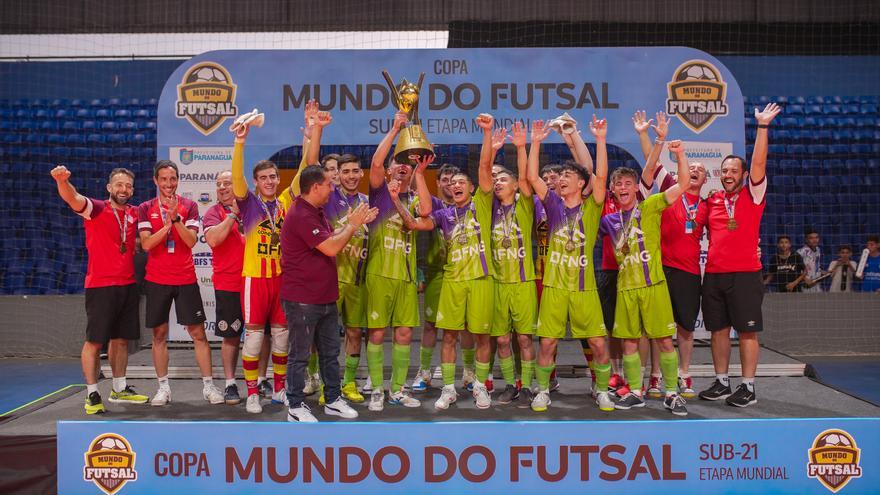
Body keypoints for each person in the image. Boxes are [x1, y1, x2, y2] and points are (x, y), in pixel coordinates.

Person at [390, 113, 496, 410]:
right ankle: (448, 388)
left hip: (480, 280)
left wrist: (487, 134)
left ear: (472, 188)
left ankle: (480, 386)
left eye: (463, 181)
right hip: (452, 280)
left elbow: (485, 166)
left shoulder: (482, 207)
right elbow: (415, 222)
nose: (457, 185)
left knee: (481, 336)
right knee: (448, 335)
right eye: (454, 183)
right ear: (449, 190)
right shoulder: (444, 215)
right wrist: (418, 175)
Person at [230, 104, 327, 413]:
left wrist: (311, 133)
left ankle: (280, 390)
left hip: (282, 279)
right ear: (256, 182)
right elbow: (235, 179)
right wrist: (240, 143)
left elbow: (304, 168)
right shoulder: (249, 206)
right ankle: (253, 393)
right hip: (255, 278)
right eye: (264, 178)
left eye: (273, 176)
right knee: (255, 337)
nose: (271, 181)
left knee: (283, 337)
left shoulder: (287, 200)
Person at [697, 102, 782, 408]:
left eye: (734, 170)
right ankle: (722, 381)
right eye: (725, 170)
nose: (728, 174)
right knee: (718, 331)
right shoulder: (713, 199)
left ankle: (748, 386)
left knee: (747, 331)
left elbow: (759, 162)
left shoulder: (753, 194)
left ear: (744, 175)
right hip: (715, 275)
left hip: (745, 274)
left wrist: (762, 126)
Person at [526, 116, 612, 413]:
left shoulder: (592, 207)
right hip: (553, 287)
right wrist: (535, 142)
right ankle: (543, 391)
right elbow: (533, 178)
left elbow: (600, 177)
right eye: (559, 176)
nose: (561, 179)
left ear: (580, 183)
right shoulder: (552, 204)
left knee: (599, 344)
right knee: (548, 343)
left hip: (584, 288)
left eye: (567, 176)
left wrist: (600, 139)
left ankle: (601, 389)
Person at [601, 137, 691, 416]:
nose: (624, 187)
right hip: (626, 288)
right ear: (613, 191)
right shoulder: (608, 221)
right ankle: (636, 392)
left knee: (664, 340)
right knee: (628, 342)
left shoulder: (650, 206)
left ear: (635, 188)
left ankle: (672, 393)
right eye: (619, 184)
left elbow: (684, 184)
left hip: (653, 286)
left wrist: (680, 155)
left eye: (629, 183)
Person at [281, 165, 378, 422]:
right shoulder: (301, 214)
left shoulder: (317, 211)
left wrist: (352, 224)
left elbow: (330, 236)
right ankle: (295, 405)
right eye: (328, 185)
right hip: (302, 298)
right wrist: (352, 226)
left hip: (324, 296)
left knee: (330, 352)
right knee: (300, 354)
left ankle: (333, 399)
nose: (332, 189)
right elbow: (331, 247)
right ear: (315, 187)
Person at [51, 165, 148, 414]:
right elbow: (73, 198)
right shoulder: (96, 209)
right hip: (101, 286)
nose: (123, 189)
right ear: (109, 188)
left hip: (127, 284)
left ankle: (119, 388)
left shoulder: (135, 213)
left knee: (121, 340)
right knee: (94, 342)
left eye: (128, 185)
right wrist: (62, 181)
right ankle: (92, 394)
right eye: (119, 184)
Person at [138, 160, 222, 406]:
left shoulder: (190, 206)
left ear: (178, 180)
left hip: (185, 278)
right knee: (159, 335)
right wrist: (166, 225)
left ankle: (209, 386)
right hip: (156, 280)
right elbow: (146, 244)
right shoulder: (145, 208)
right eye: (163, 179)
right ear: (156, 180)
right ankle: (163, 388)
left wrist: (176, 220)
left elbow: (191, 242)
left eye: (172, 179)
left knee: (198, 334)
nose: (168, 184)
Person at [364, 110, 429, 411]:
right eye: (397, 164)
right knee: (377, 333)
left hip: (406, 277)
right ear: (389, 171)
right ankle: (377, 389)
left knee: (404, 333)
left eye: (406, 165)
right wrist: (394, 129)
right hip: (379, 273)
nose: (401, 167)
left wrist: (420, 172)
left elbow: (426, 211)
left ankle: (398, 390)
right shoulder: (378, 193)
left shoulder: (414, 199)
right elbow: (376, 162)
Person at [639, 129, 706, 399]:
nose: (695, 170)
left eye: (700, 169)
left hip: (689, 272)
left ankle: (684, 374)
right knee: (659, 327)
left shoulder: (708, 205)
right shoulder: (670, 189)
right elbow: (651, 161)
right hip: (660, 269)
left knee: (686, 328)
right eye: (692, 167)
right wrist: (644, 133)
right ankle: (656, 376)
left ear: (704, 178)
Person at [488, 121, 538, 407]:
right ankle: (509, 384)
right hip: (497, 284)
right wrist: (492, 151)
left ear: (514, 185)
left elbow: (526, 179)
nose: (497, 183)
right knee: (503, 341)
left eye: (502, 180)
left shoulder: (524, 205)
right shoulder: (488, 209)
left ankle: (527, 385)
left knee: (524, 340)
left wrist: (520, 147)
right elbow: (485, 177)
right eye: (496, 181)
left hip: (522, 283)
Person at [323, 153, 370, 403]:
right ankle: (323, 384)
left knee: (354, 333)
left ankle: (349, 382)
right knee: (324, 336)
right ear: (337, 175)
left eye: (355, 171)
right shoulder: (327, 200)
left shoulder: (368, 203)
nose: (351, 176)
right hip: (330, 278)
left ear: (361, 173)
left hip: (358, 281)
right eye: (346, 172)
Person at [411, 163, 460, 392]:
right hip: (435, 272)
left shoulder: (469, 206)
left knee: (465, 327)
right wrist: (418, 169)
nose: (450, 184)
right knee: (430, 325)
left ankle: (469, 373)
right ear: (438, 183)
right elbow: (416, 194)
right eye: (445, 180)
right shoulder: (434, 206)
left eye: (454, 180)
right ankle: (424, 371)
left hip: (462, 273)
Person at [202, 171, 246, 404]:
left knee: (262, 334)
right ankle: (230, 384)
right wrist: (232, 216)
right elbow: (214, 240)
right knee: (231, 336)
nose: (222, 187)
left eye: (227, 183)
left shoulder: (254, 208)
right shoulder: (212, 213)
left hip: (255, 280)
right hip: (228, 283)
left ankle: (260, 380)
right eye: (218, 184)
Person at [798, 228, 824, 292]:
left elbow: (816, 265)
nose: (814, 240)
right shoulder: (801, 252)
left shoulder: (818, 249)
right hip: (805, 284)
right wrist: (805, 279)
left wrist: (822, 272)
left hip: (816, 282)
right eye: (811, 238)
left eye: (816, 237)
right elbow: (796, 268)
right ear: (806, 240)